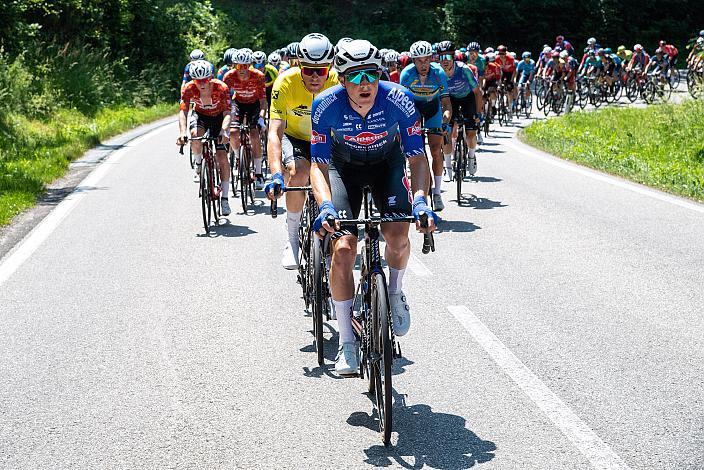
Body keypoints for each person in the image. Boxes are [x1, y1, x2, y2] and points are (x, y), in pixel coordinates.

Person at [309, 40, 437, 376]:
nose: (365, 82)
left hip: (386, 165)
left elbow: (416, 157)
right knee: (343, 249)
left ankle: (393, 293)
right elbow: (318, 167)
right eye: (355, 75)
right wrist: (324, 205)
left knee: (397, 236)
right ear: (341, 79)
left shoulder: (398, 99)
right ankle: (348, 342)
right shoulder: (325, 106)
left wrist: (422, 198)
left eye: (372, 74)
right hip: (342, 168)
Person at [264, 33, 339, 269]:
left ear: (329, 67)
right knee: (298, 173)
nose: (316, 76)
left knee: (334, 179)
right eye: (308, 70)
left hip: (327, 138)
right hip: (295, 136)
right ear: (298, 64)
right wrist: (276, 173)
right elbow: (275, 132)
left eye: (322, 70)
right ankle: (292, 238)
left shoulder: (338, 81)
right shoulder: (285, 82)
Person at [177, 60, 233, 215]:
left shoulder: (221, 88)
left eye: (205, 80)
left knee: (222, 157)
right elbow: (183, 111)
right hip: (200, 116)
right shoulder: (188, 88)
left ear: (211, 77)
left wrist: (224, 131)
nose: (201, 84)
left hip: (219, 118)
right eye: (197, 81)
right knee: (195, 136)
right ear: (193, 80)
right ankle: (198, 164)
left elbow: (228, 112)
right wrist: (182, 132)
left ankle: (225, 199)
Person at [400, 40, 451, 211]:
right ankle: (419, 192)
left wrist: (445, 120)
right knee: (417, 153)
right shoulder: (407, 75)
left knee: (436, 150)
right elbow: (401, 104)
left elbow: (446, 102)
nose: (423, 64)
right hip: (414, 109)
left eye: (426, 60)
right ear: (413, 61)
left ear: (431, 58)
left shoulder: (438, 73)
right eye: (419, 60)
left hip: (433, 109)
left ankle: (437, 192)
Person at [222, 49, 268, 190]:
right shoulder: (228, 76)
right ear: (234, 65)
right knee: (234, 132)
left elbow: (263, 101)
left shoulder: (258, 76)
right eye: (238, 66)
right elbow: (225, 100)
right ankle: (237, 158)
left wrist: (261, 117)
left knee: (254, 134)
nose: (241, 70)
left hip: (254, 104)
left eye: (245, 66)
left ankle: (259, 173)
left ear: (249, 65)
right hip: (238, 103)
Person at [436, 41, 483, 179]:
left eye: (448, 57)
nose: (445, 61)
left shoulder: (463, 69)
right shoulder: (437, 72)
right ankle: (448, 166)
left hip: (468, 98)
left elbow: (477, 92)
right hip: (450, 100)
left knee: (471, 134)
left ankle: (471, 157)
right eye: (442, 57)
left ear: (453, 57)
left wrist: (478, 113)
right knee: (447, 133)